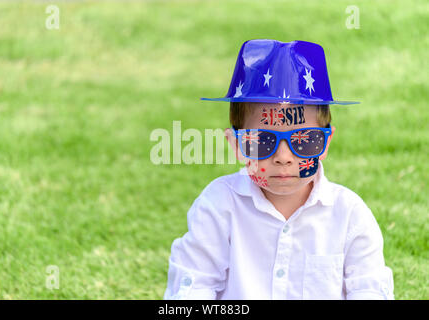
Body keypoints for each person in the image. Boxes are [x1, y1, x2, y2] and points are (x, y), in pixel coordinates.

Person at [164, 39, 394, 299]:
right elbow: (193, 286)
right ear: (236, 144)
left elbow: (369, 290)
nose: (283, 157)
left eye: (305, 140)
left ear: (325, 142)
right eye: (261, 141)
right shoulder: (218, 206)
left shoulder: (350, 215)